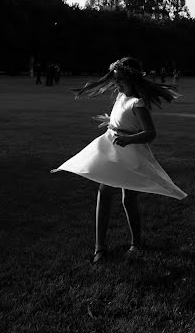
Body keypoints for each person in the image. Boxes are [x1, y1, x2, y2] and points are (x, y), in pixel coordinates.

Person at [51, 56, 187, 264]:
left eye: (121, 80)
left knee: (128, 198)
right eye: (115, 79)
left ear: (133, 80)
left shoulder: (138, 103)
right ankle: (100, 246)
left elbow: (150, 133)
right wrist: (110, 121)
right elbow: (122, 118)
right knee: (104, 192)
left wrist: (128, 138)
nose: (117, 83)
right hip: (111, 147)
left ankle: (136, 242)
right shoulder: (120, 97)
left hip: (129, 152)